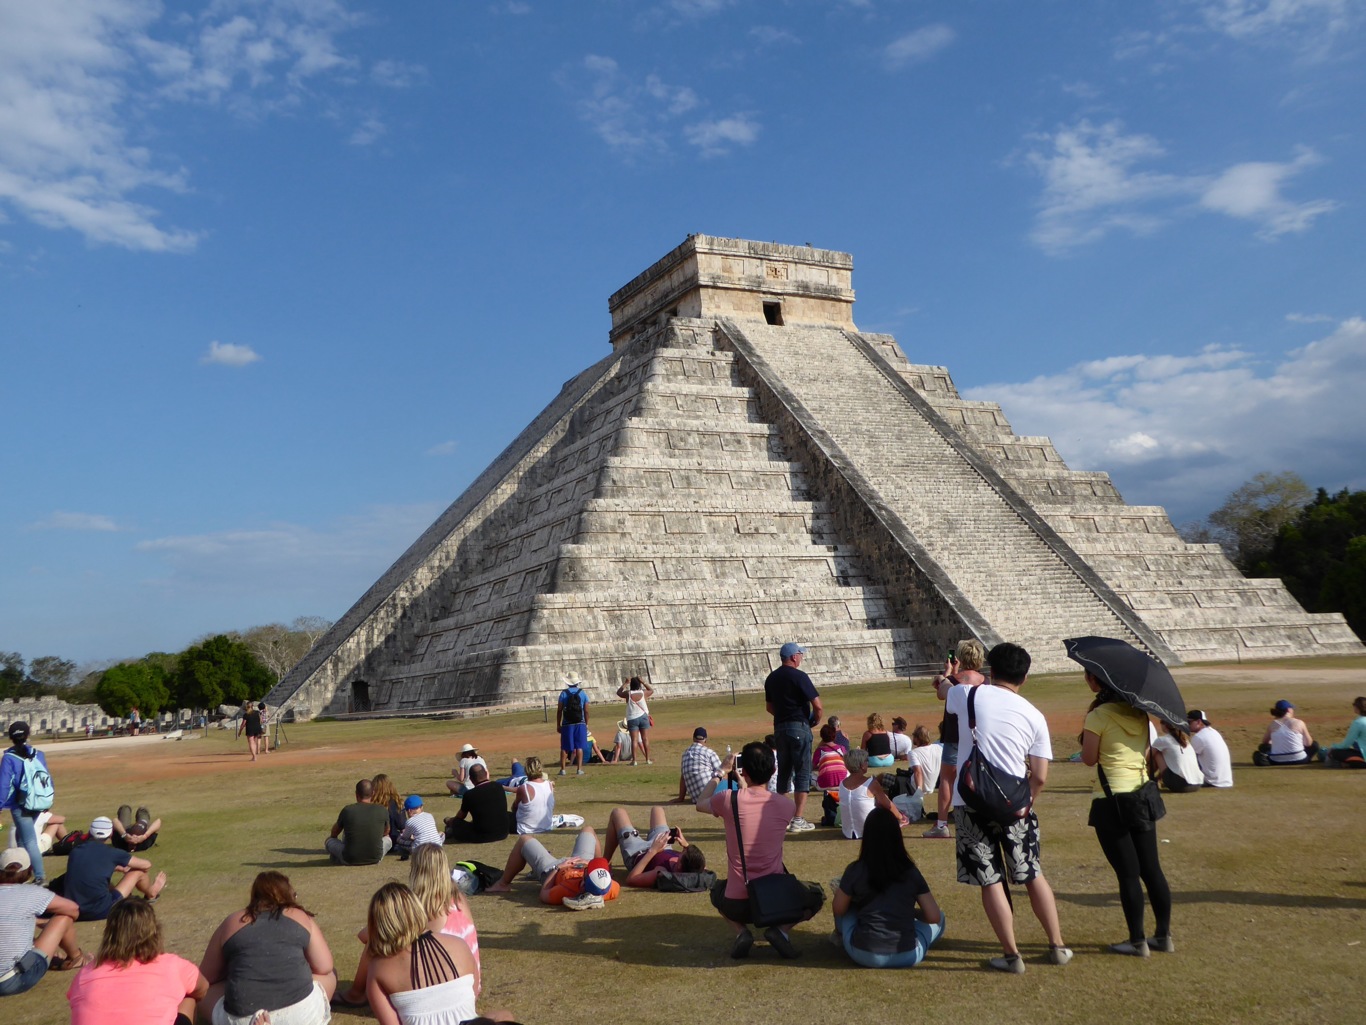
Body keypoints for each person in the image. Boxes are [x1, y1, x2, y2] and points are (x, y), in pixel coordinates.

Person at [945, 642, 1071, 973]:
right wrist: (1022, 803)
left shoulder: (968, 694)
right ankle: (1057, 944)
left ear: (990, 670)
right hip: (1016, 803)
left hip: (971, 800)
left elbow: (946, 690)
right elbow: (1040, 776)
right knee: (1032, 874)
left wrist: (947, 677)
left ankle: (1012, 954)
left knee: (990, 879)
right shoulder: (1034, 714)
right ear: (1024, 677)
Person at [696, 741, 824, 959]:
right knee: (817, 895)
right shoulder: (786, 806)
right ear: (773, 770)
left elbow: (701, 802)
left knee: (717, 891)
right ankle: (780, 931)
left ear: (743, 771)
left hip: (737, 903)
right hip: (776, 901)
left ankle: (741, 932)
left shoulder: (728, 800)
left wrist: (721, 772)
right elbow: (758, 808)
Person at [1080, 670, 1174, 957]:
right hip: (1141, 793)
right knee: (1152, 869)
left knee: (1128, 874)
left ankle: (1137, 940)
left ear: (1096, 683)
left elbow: (1088, 758)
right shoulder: (1140, 715)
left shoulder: (1098, 716)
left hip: (1111, 799)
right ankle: (1163, 935)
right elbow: (1145, 753)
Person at [334, 845, 481, 1009]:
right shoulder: (458, 897)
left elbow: (365, 935)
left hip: (440, 990)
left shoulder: (418, 905)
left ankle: (356, 994)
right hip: (469, 986)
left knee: (375, 941)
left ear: (416, 870)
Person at [199, 871, 336, 1025]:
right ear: (289, 894)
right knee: (330, 975)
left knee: (203, 991)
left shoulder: (232, 921)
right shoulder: (300, 916)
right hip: (300, 1015)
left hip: (243, 1018)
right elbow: (325, 967)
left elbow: (205, 977)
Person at [832, 807, 945, 968]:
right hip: (907, 955)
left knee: (846, 907)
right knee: (942, 919)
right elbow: (934, 917)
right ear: (897, 837)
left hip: (863, 953)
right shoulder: (910, 871)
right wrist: (908, 913)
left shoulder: (856, 870)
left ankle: (843, 937)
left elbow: (838, 910)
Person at [66, 899, 209, 1025]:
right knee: (188, 997)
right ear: (154, 931)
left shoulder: (85, 974)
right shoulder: (172, 965)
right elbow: (202, 988)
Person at [362, 883, 479, 1025]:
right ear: (417, 909)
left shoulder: (378, 968)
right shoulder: (459, 944)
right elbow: (472, 996)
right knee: (503, 1015)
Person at [0, 846, 85, 998]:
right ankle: (76, 958)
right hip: (12, 979)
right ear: (29, 870)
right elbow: (73, 909)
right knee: (63, 918)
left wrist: (34, 920)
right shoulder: (32, 894)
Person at [483, 825, 618, 909]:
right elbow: (602, 881)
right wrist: (589, 864)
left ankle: (502, 884)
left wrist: (558, 868)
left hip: (553, 870)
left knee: (524, 840)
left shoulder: (566, 890)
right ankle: (590, 864)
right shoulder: (609, 887)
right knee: (588, 830)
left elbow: (544, 893)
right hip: (582, 862)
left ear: (585, 879)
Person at [764, 641, 822, 833]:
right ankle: (798, 818)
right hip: (799, 726)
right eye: (800, 655)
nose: (801, 658)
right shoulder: (799, 676)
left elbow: (769, 707)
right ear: (794, 657)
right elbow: (818, 705)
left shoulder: (771, 678)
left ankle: (783, 818)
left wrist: (784, 716)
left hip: (780, 728)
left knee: (784, 772)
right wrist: (813, 721)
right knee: (803, 772)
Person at [60, 816, 167, 920]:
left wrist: (117, 867)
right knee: (137, 872)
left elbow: (93, 866)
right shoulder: (112, 853)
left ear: (90, 831)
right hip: (101, 910)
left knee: (95, 878)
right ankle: (151, 894)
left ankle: (130, 896)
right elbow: (146, 865)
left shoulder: (75, 851)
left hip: (74, 910)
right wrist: (125, 867)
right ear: (110, 834)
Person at [603, 806, 709, 889]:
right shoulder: (693, 867)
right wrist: (686, 844)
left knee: (617, 812)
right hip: (662, 846)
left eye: (683, 853)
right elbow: (703, 867)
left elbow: (631, 879)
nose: (683, 850)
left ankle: (604, 863)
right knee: (657, 810)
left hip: (637, 853)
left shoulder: (661, 872)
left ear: (679, 865)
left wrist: (653, 850)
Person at [1, 721, 53, 884]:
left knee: (29, 840)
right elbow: (46, 778)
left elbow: (4, 783)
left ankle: (39, 876)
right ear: (28, 734)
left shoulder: (9, 757)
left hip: (20, 804)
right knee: (22, 838)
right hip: (38, 801)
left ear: (11, 737)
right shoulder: (38, 754)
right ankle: (25, 872)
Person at [838, 748, 907, 839]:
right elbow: (888, 804)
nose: (868, 763)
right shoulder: (871, 783)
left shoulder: (842, 784)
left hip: (847, 832)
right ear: (862, 765)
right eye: (866, 761)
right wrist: (900, 817)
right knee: (884, 808)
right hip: (869, 830)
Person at [326, 779, 392, 865]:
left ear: (356, 794)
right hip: (375, 858)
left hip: (349, 859)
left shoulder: (348, 810)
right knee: (388, 840)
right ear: (373, 793)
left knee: (329, 841)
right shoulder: (382, 809)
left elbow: (334, 833)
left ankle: (336, 858)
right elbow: (386, 832)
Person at [444, 765, 509, 844]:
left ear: (471, 779)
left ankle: (450, 825)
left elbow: (461, 816)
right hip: (503, 833)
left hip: (482, 836)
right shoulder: (498, 787)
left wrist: (452, 821)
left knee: (456, 823)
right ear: (486, 774)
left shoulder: (470, 795)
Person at [1253, 700, 1319, 765]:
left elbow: (1265, 742)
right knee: (1314, 745)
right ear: (1288, 710)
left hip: (1276, 761)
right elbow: (1308, 743)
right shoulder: (1299, 722)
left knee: (1263, 747)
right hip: (1300, 759)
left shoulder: (1272, 724)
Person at [1149, 720, 1202, 792]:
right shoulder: (1185, 740)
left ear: (1165, 726)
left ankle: (1149, 778)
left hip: (1181, 785)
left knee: (1157, 754)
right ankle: (1155, 779)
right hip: (1197, 784)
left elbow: (1148, 756)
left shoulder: (1163, 740)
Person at [1186, 710, 1234, 788]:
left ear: (1198, 722)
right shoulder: (1214, 732)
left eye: (1189, 722)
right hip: (1225, 780)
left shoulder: (1199, 737)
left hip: (1211, 781)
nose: (1187, 725)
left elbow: (1187, 759)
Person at [508, 756, 555, 834]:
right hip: (546, 826)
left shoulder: (525, 788)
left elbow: (514, 808)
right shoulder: (549, 785)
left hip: (525, 828)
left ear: (526, 771)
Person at [677, 727, 722, 803]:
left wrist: (681, 798)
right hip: (712, 795)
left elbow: (683, 778)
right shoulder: (709, 752)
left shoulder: (685, 753)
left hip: (696, 799)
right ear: (705, 740)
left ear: (693, 738)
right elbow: (722, 771)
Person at [556, 672, 589, 777]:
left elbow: (559, 710)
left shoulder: (564, 694)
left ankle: (563, 769)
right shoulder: (582, 693)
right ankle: (579, 769)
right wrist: (586, 723)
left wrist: (558, 724)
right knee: (579, 746)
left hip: (567, 723)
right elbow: (586, 710)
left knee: (565, 747)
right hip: (580, 722)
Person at [616, 676, 655, 765]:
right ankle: (647, 759)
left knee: (634, 740)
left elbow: (618, 692)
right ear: (639, 684)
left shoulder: (628, 693)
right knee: (645, 738)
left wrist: (626, 683)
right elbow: (651, 690)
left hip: (632, 718)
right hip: (643, 717)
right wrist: (643, 682)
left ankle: (634, 760)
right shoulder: (643, 693)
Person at [1323, 696, 1366, 767]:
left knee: (1335, 752)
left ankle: (1354, 763)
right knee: (1355, 743)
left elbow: (1346, 744)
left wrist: (1334, 747)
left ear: (1357, 707)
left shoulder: (1358, 723)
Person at [371, 774, 407, 847]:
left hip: (372, 842)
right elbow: (402, 826)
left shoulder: (370, 804)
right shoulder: (396, 803)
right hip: (392, 841)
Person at [812, 724, 849, 791]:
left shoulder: (819, 750)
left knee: (809, 775)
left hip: (824, 786)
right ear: (834, 736)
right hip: (843, 784)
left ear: (822, 737)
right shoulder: (841, 748)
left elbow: (812, 767)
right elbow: (847, 763)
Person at [910, 725, 943, 797]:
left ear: (917, 738)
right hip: (932, 785)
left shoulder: (914, 752)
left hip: (915, 786)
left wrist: (918, 792)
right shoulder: (938, 748)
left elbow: (918, 772)